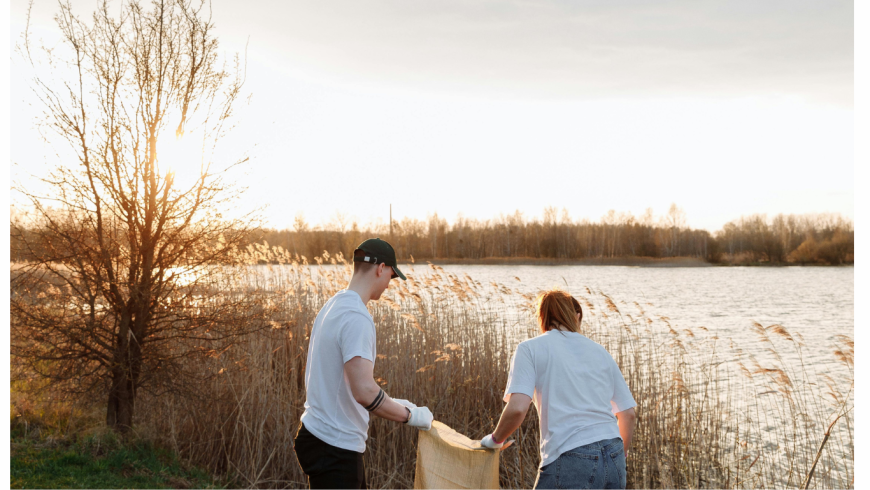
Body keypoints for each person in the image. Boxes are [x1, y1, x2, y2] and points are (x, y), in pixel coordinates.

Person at [294, 238, 434, 489]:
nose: (389, 285)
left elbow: (344, 380)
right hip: (335, 447)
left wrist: (393, 402)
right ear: (381, 268)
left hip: (319, 436)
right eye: (391, 277)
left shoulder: (334, 305)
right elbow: (364, 392)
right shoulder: (357, 317)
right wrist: (411, 416)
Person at [480, 289, 637, 489]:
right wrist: (618, 457)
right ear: (577, 316)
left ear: (543, 317)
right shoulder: (600, 351)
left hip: (571, 454)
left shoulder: (530, 349)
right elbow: (628, 414)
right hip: (614, 454)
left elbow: (518, 408)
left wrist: (495, 439)